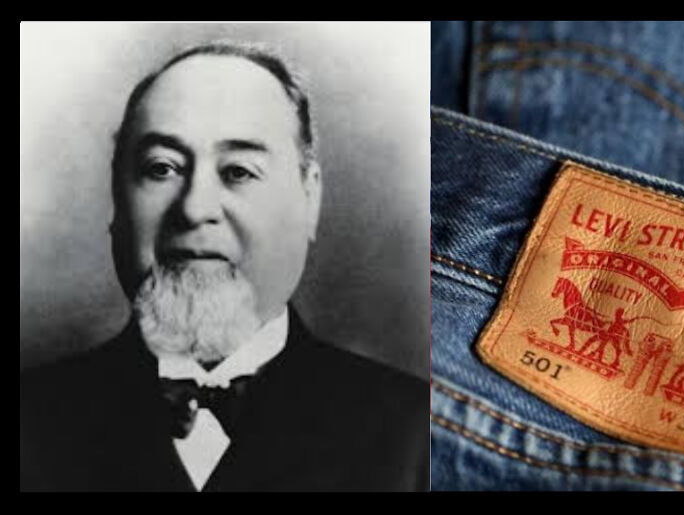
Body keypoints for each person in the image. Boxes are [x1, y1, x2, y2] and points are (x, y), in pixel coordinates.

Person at [20, 42, 428, 492]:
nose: (194, 208)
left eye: (237, 171)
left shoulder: (419, 432)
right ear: (117, 200)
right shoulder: (32, 418)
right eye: (161, 168)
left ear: (309, 197)